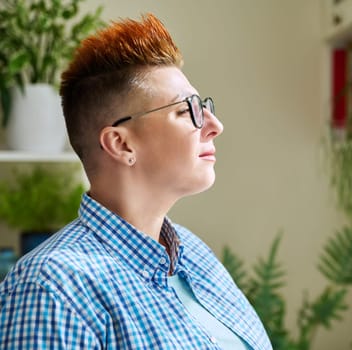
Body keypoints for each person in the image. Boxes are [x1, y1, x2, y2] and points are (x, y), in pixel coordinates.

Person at [0, 14, 271, 349]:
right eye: (188, 111)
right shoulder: (53, 288)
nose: (215, 125)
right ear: (121, 144)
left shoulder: (196, 257)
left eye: (204, 106)